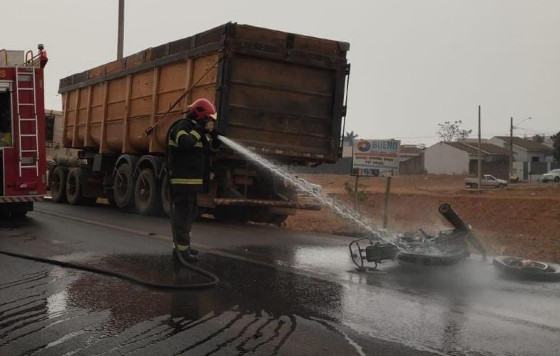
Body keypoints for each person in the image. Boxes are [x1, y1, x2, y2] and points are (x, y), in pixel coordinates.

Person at [166, 98, 221, 262]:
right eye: (208, 120)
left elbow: (207, 152)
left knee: (189, 216)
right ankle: (181, 253)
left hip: (192, 184)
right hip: (182, 182)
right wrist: (199, 131)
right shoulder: (181, 127)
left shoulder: (197, 131)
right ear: (200, 116)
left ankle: (184, 248)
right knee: (183, 217)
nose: (209, 123)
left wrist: (215, 140)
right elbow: (185, 143)